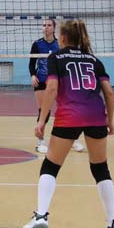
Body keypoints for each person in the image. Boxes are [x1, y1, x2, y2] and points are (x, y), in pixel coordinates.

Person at [20, 20, 114, 228]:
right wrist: (110, 121)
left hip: (69, 116)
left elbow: (52, 88)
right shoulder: (94, 60)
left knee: (51, 165)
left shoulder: (56, 57)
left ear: (63, 38)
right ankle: (113, 223)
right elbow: (109, 93)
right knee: (100, 168)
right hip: (96, 116)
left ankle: (41, 215)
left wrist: (42, 121)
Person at [29, 19, 85, 154]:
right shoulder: (37, 44)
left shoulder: (59, 44)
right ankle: (40, 142)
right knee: (44, 111)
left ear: (54, 28)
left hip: (57, 80)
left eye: (49, 25)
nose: (46, 27)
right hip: (41, 80)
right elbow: (32, 63)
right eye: (44, 25)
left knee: (68, 109)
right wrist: (33, 75)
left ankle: (73, 140)